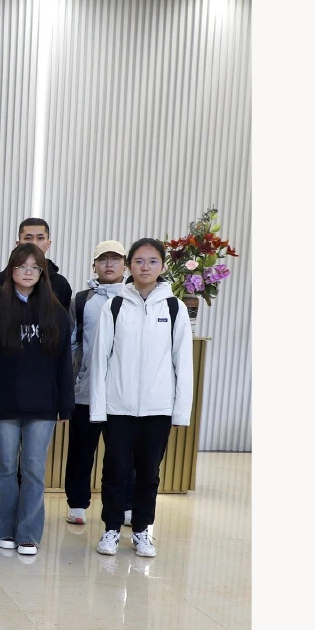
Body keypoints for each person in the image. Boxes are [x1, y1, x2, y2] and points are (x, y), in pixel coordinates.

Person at [89, 239, 193, 559]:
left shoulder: (174, 308)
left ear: (163, 266)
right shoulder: (115, 306)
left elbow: (182, 363)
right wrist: (98, 409)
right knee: (115, 471)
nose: (145, 267)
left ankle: (142, 531)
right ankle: (110, 529)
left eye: (152, 261)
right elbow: (100, 359)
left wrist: (180, 412)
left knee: (149, 474)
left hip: (157, 410)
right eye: (138, 261)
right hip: (117, 407)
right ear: (129, 265)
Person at [0, 242, 74, 556]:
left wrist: (65, 404)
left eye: (35, 267)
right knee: (5, 467)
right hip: (4, 404)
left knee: (33, 469)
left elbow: (64, 361)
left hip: (43, 406)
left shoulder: (55, 311)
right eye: (22, 267)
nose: (28, 272)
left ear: (43, 272)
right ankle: (2, 529)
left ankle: (29, 534)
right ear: (12, 271)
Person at [65, 240, 128, 526]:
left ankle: (125, 505)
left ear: (125, 264)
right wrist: (72, 382)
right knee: (81, 451)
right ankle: (77, 503)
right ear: (94, 265)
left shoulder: (134, 298)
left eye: (116, 259)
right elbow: (72, 343)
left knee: (121, 455)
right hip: (86, 391)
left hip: (122, 394)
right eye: (103, 259)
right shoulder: (81, 300)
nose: (109, 264)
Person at [0, 218, 73, 308]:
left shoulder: (60, 284)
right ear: (18, 244)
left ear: (48, 244)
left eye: (40, 238)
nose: (34, 243)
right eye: (28, 238)